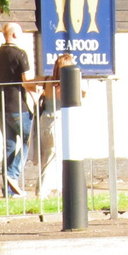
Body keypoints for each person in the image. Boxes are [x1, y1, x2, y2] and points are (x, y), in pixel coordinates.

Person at [0, 22, 36, 195]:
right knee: (33, 138)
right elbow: (27, 82)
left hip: (0, 108)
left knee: (9, 145)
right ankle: (12, 175)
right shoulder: (20, 54)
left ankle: (9, 191)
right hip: (17, 106)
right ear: (14, 34)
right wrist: (38, 96)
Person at [35, 53, 77, 197]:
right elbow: (84, 93)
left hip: (45, 120)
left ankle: (55, 188)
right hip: (56, 121)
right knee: (53, 156)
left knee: (51, 154)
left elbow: (26, 83)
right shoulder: (64, 86)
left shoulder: (47, 80)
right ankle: (42, 190)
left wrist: (36, 93)